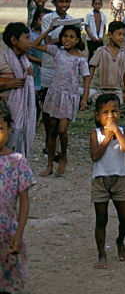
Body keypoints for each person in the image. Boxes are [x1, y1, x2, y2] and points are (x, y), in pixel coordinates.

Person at [31, 23, 90, 176]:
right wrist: (50, 29)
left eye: (71, 37)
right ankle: (50, 164)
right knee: (51, 130)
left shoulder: (80, 59)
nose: (67, 39)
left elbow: (86, 77)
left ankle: (63, 157)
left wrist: (84, 98)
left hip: (69, 97)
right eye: (65, 36)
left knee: (62, 130)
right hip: (55, 95)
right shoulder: (56, 51)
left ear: (77, 40)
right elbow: (35, 44)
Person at [90, 93, 125, 269]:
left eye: (114, 111)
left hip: (119, 179)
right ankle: (101, 253)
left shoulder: (124, 131)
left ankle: (120, 241)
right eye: (105, 112)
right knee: (101, 219)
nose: (110, 116)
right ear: (97, 116)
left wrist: (116, 132)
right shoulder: (95, 134)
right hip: (100, 180)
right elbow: (95, 156)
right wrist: (107, 137)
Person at [0, 98, 35, 294]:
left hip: (8, 234)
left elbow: (24, 202)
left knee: (9, 284)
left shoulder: (17, 162)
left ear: (9, 128)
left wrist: (19, 233)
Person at [0, 24, 37, 157]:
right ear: (14, 41)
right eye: (26, 38)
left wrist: (29, 76)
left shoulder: (25, 62)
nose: (30, 42)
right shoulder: (3, 62)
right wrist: (7, 85)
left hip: (19, 117)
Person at [88, 21, 125, 107]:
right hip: (101, 89)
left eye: (123, 35)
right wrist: (87, 87)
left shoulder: (124, 53)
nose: (122, 37)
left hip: (117, 90)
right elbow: (92, 68)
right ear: (110, 35)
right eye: (119, 34)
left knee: (116, 106)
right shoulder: (101, 51)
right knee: (100, 106)